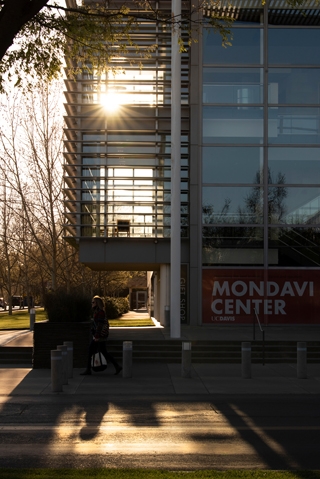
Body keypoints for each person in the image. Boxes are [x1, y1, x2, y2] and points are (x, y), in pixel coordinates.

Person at [80, 295, 122, 376]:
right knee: (104, 352)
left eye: (93, 302)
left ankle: (88, 370)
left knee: (91, 350)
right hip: (100, 336)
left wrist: (96, 335)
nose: (91, 304)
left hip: (99, 336)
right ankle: (117, 366)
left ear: (97, 303)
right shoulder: (97, 311)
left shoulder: (100, 312)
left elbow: (100, 325)